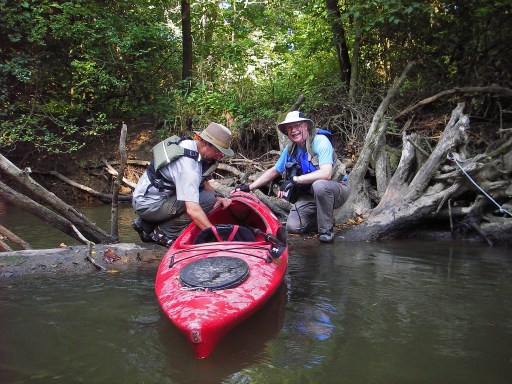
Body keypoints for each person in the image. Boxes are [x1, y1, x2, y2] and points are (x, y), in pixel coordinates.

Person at [233, 111, 350, 243]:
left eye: (297, 126)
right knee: (293, 226)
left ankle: (326, 231)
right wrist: (248, 187)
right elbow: (274, 171)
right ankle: (323, 219)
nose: (293, 130)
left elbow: (326, 173)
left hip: (337, 188)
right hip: (310, 195)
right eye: (289, 128)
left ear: (306, 126)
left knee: (320, 185)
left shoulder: (320, 140)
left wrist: (294, 180)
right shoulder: (290, 149)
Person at [132, 122, 234, 246]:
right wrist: (217, 237)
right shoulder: (188, 167)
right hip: (149, 206)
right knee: (207, 200)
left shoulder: (189, 145)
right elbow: (193, 210)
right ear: (205, 143)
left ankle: (148, 224)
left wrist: (218, 196)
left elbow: (204, 182)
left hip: (147, 200)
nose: (220, 156)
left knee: (210, 197)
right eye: (218, 151)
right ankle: (164, 232)